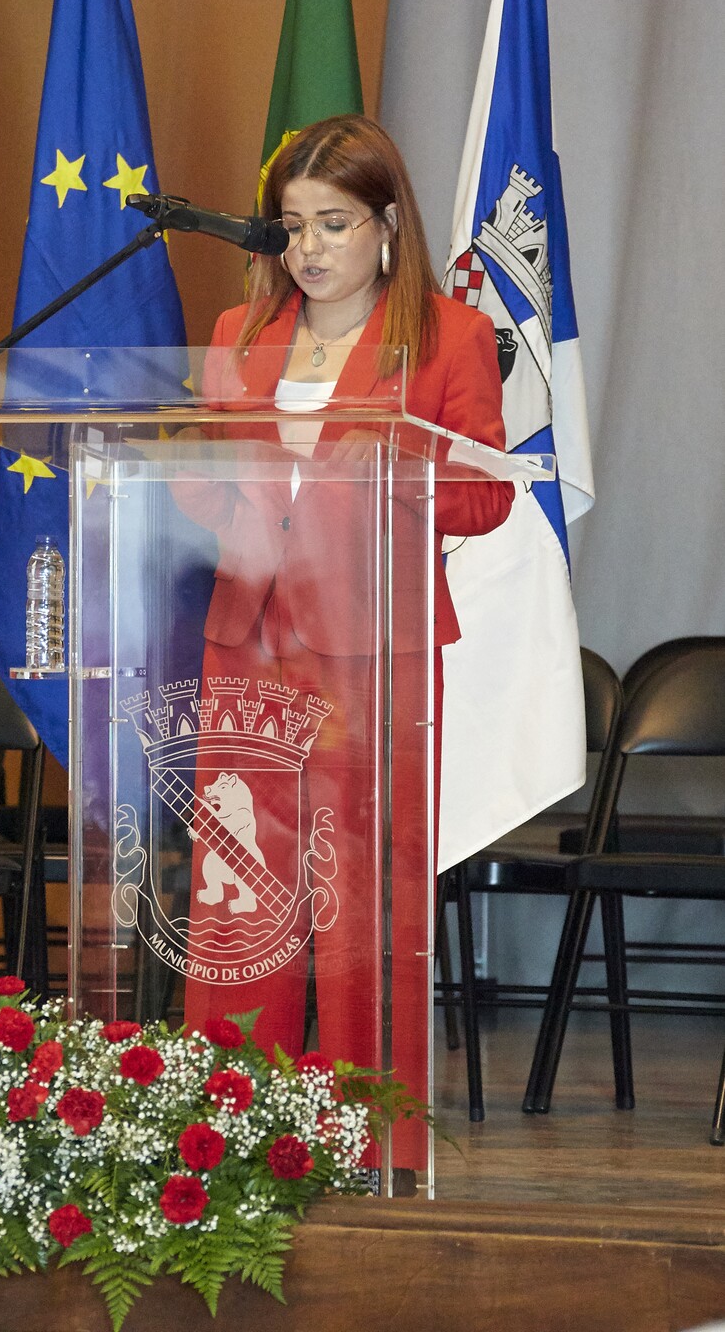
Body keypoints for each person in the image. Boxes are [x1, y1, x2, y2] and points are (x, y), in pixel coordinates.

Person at [175, 114, 513, 1170]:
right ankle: (234, 1129)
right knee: (240, 894)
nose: (309, 248)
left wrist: (392, 471)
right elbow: (196, 478)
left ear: (386, 223)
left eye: (332, 222)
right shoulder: (238, 332)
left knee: (365, 895)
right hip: (247, 638)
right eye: (290, 225)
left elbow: (487, 495)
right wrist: (212, 493)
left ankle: (373, 1135)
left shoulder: (450, 337)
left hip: (375, 651)